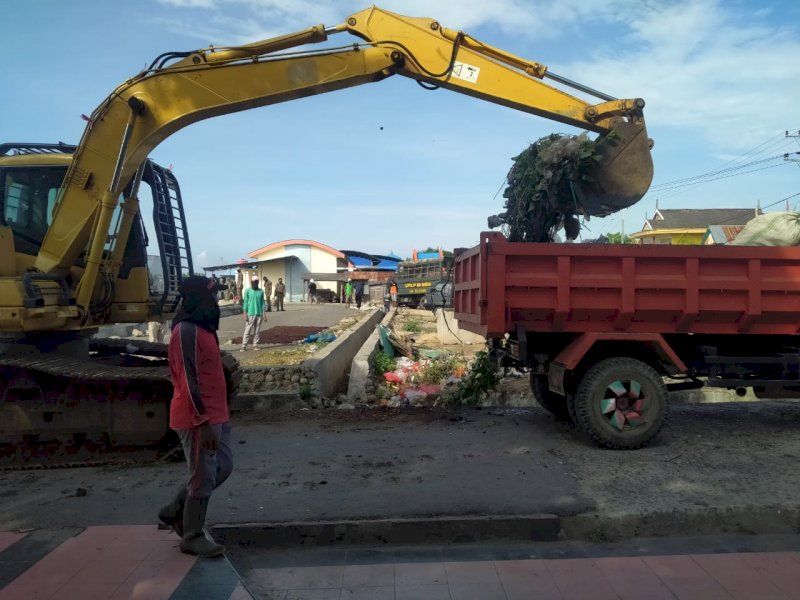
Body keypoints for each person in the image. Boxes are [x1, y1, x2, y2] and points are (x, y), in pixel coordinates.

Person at [157, 275, 232, 558]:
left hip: (216, 414)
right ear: (201, 297)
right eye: (214, 295)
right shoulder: (185, 330)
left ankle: (175, 509)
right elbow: (189, 380)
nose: (217, 300)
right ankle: (192, 535)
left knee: (222, 467)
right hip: (197, 418)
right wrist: (203, 421)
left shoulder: (204, 327)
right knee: (202, 476)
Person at [241, 275, 266, 352]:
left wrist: (264, 314)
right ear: (251, 282)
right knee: (247, 330)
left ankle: (255, 345)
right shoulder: (247, 291)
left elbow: (263, 303)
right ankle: (244, 345)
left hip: (259, 314)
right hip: (250, 313)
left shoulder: (261, 291)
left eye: (256, 282)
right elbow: (245, 302)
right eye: (253, 282)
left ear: (258, 282)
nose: (255, 283)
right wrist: (244, 313)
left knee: (257, 330)